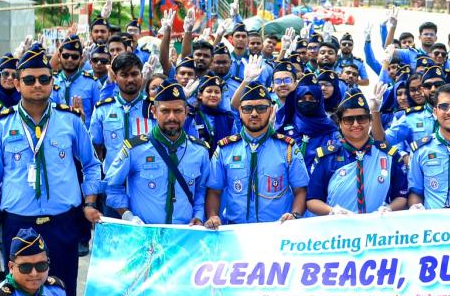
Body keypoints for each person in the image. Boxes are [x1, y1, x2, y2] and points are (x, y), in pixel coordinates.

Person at [0, 44, 103, 296]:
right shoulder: (0, 126)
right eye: (30, 79)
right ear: (17, 83)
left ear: (53, 82)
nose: (37, 85)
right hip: (19, 226)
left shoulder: (69, 121)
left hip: (62, 225)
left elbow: (92, 165)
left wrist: (90, 202)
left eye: (44, 79)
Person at [104, 80, 210, 227]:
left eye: (178, 111)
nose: (172, 117)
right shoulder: (134, 148)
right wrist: (128, 216)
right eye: (165, 111)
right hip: (145, 234)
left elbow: (201, 190)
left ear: (186, 112)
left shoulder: (200, 151)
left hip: (185, 233)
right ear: (154, 112)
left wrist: (198, 216)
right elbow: (111, 186)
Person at [204, 82, 308, 226]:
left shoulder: (287, 148)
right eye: (247, 109)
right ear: (240, 111)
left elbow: (301, 190)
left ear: (270, 110)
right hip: (236, 230)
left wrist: (294, 215)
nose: (254, 114)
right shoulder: (225, 149)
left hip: (277, 228)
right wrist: (212, 216)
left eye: (261, 108)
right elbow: (214, 191)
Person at [306, 91, 409, 215]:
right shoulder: (327, 156)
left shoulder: (389, 155)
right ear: (339, 123)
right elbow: (312, 200)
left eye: (361, 118)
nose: (356, 124)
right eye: (348, 120)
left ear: (370, 120)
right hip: (338, 225)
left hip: (378, 225)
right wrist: (332, 211)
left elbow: (401, 196)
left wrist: (390, 208)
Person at [89, 53, 151, 167]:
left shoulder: (153, 108)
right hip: (112, 175)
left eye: (134, 74)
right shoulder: (103, 109)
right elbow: (96, 145)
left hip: (145, 175)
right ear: (115, 78)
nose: (130, 79)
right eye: (124, 75)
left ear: (141, 76)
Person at [50, 37, 98, 126]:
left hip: (84, 132)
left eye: (74, 57)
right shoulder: (51, 82)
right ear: (59, 56)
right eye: (66, 56)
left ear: (81, 58)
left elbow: (98, 117)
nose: (70, 59)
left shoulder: (92, 83)